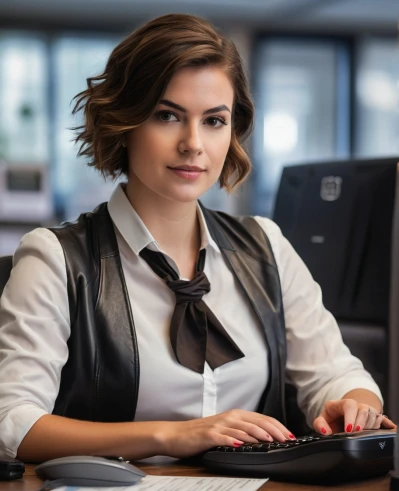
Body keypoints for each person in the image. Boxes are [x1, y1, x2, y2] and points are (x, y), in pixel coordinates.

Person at [0, 13, 395, 463]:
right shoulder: (56, 260)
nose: (193, 143)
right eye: (167, 115)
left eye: (213, 121)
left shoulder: (265, 247)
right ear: (123, 121)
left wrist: (353, 403)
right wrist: (172, 436)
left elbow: (336, 374)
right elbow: (14, 421)